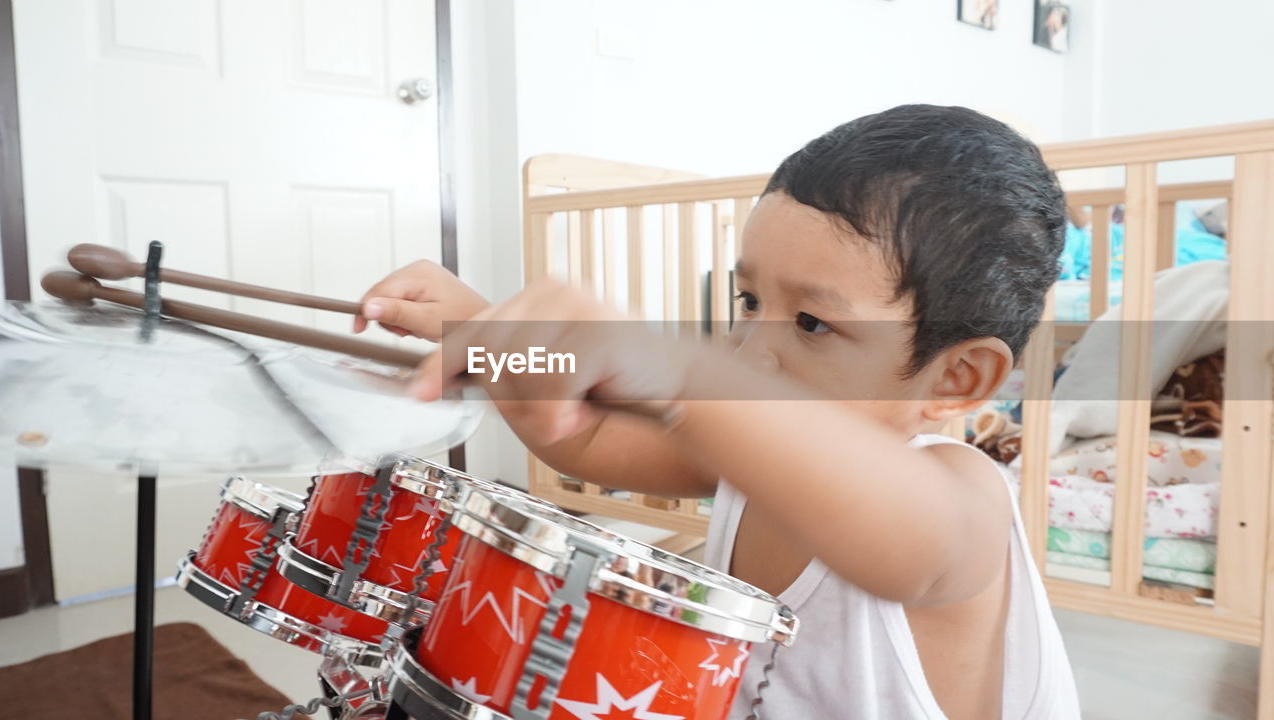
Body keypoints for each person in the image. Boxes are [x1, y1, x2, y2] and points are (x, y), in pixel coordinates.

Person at [354, 104, 1081, 719]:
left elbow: (906, 540)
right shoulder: (741, 448)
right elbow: (593, 437)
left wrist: (678, 372)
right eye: (750, 302)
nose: (750, 352)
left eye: (810, 325)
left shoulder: (959, 500)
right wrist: (487, 336)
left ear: (955, 378)